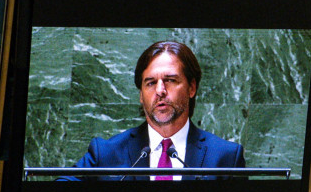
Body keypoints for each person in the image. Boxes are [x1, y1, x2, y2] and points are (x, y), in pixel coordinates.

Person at [71, 40, 246, 179]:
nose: (160, 90)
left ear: (191, 88)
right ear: (141, 94)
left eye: (170, 80)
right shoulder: (106, 153)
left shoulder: (226, 158)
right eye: (151, 83)